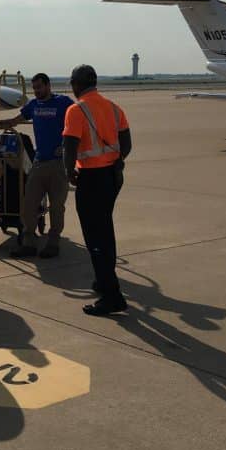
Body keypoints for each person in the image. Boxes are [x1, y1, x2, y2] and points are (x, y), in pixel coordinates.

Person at [62, 64, 132, 316]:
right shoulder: (113, 108)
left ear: (77, 84)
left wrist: (69, 172)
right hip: (113, 176)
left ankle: (112, 296)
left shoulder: (76, 110)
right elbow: (127, 143)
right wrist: (116, 159)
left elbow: (69, 147)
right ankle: (103, 281)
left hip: (91, 179)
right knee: (105, 229)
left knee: (95, 238)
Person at [0, 73, 74, 258]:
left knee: (57, 206)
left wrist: (67, 148)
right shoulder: (34, 105)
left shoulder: (63, 102)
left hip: (58, 164)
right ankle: (29, 243)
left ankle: (53, 242)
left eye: (39, 87)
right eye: (34, 88)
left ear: (48, 85)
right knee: (29, 204)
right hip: (39, 163)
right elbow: (15, 121)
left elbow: (77, 122)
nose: (36, 91)